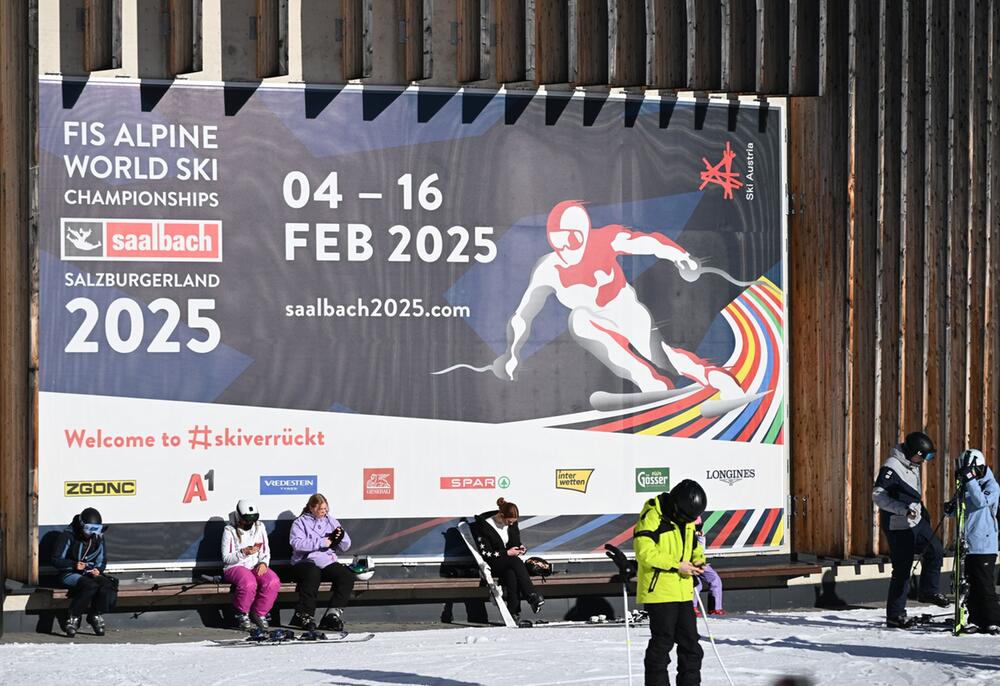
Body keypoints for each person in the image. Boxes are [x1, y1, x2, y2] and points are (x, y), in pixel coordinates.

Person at [492, 201, 754, 418]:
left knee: (665, 357)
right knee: (579, 318)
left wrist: (679, 256)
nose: (565, 247)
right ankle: (649, 383)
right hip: (595, 323)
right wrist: (513, 352)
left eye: (573, 239)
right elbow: (523, 314)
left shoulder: (604, 240)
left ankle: (723, 382)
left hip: (624, 310)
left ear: (584, 234)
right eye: (558, 239)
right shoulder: (548, 269)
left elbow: (647, 243)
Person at [634, 479, 707, 686]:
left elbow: (695, 546)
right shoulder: (652, 515)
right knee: (662, 645)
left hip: (683, 590)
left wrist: (698, 560)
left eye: (691, 519)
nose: (688, 521)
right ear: (676, 505)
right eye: (685, 517)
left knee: (691, 646)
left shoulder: (688, 519)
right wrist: (676, 565)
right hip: (660, 591)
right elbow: (644, 552)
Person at [872, 430, 947, 628]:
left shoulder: (912, 463)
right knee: (903, 570)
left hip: (916, 519)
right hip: (899, 524)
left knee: (935, 549)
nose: (925, 461)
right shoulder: (891, 466)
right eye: (924, 457)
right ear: (914, 452)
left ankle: (928, 591)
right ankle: (895, 615)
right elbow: (878, 495)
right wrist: (901, 510)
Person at [288, 493, 355, 631]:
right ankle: (304, 614)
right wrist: (322, 542)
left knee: (346, 576)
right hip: (305, 561)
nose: (323, 512)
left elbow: (345, 545)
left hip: (326, 561)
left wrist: (340, 538)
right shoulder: (300, 522)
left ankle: (332, 615)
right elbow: (296, 544)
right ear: (311, 508)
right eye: (320, 509)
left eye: (325, 509)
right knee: (313, 573)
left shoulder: (331, 521)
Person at [470, 497, 544, 620]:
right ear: (501, 515)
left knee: (512, 573)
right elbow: (486, 553)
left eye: (513, 522)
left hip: (508, 562)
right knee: (515, 562)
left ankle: (513, 612)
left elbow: (514, 542)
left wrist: (520, 548)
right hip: (492, 561)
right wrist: (507, 553)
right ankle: (531, 595)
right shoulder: (484, 527)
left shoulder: (512, 524)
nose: (511, 524)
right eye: (509, 521)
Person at [951, 449, 1000, 632]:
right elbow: (958, 509)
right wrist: (950, 507)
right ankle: (976, 618)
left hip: (984, 545)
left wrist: (970, 480)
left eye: (974, 471)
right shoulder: (967, 484)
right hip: (967, 544)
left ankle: (993, 620)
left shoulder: (992, 486)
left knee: (985, 585)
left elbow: (981, 502)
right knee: (969, 585)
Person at [51, 507, 117, 637]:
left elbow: (102, 559)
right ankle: (74, 616)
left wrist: (98, 570)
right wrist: (74, 565)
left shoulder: (98, 538)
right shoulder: (68, 536)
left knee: (107, 585)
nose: (91, 533)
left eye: (95, 529)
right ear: (81, 526)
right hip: (69, 573)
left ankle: (95, 614)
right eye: (88, 528)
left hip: (89, 573)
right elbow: (56, 560)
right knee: (90, 586)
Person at [221, 499, 280, 631]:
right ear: (239, 517)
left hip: (255, 565)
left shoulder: (259, 527)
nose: (250, 523)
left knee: (272, 581)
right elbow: (226, 558)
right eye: (246, 520)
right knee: (249, 583)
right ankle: (241, 613)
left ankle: (260, 613)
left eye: (252, 520)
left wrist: (264, 562)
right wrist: (243, 552)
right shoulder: (229, 530)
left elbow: (265, 550)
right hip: (235, 566)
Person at [692, 516, 724, 616]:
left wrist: (701, 537)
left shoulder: (697, 532)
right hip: (688, 562)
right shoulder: (684, 532)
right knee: (697, 584)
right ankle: (692, 607)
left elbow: (701, 550)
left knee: (714, 578)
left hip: (699, 561)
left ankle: (715, 607)